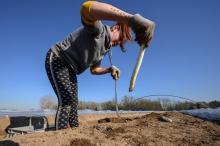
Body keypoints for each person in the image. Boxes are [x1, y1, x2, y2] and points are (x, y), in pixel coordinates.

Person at [45, 1, 155, 130]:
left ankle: (74, 135)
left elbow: (94, 70)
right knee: (66, 102)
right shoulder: (99, 30)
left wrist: (109, 69)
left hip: (71, 69)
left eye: (121, 43)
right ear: (115, 28)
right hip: (58, 58)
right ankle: (60, 138)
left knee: (74, 105)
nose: (118, 43)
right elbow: (86, 8)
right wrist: (131, 19)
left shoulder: (103, 51)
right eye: (120, 39)